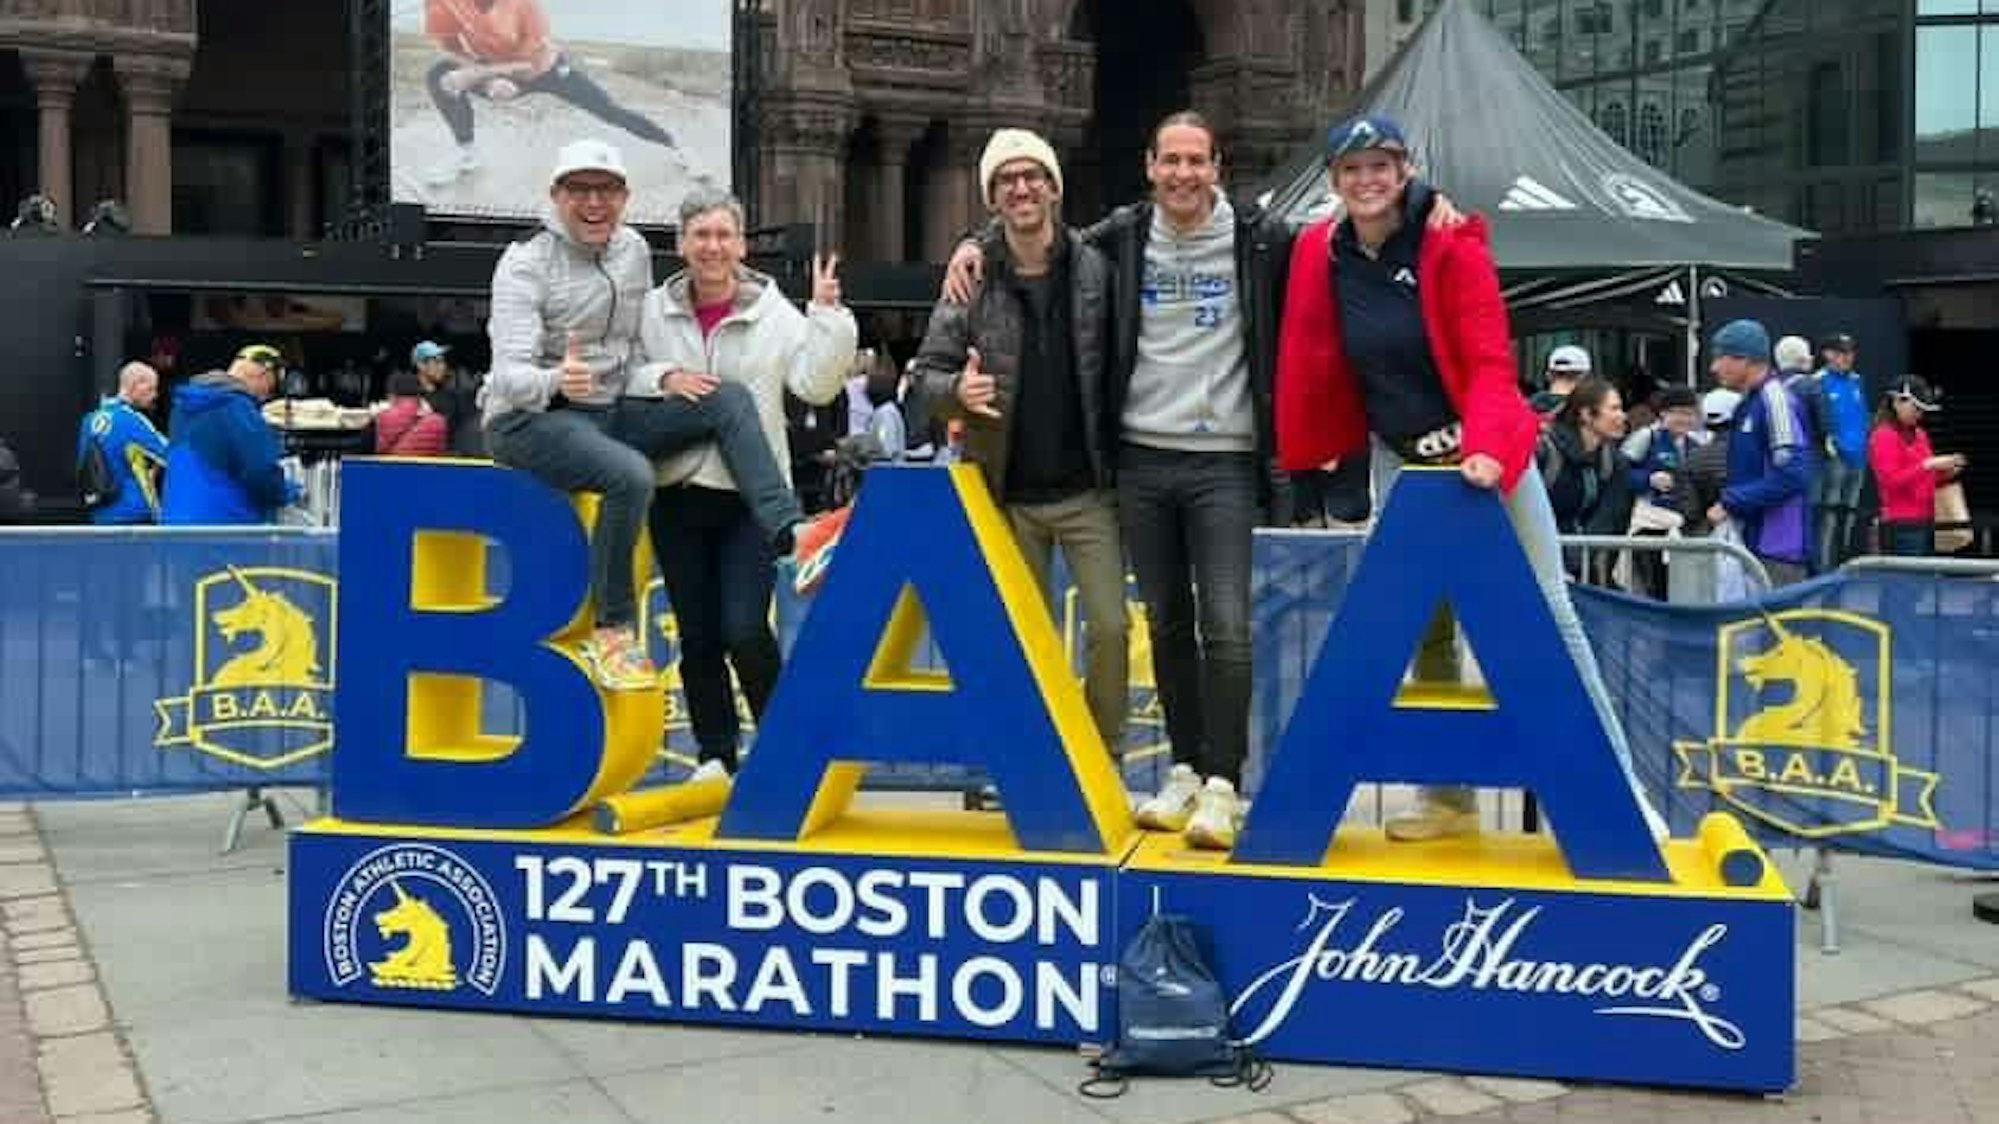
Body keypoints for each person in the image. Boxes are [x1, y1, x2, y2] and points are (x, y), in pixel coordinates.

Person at [941, 110, 1464, 849]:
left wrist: (1425, 198)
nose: (1183, 174)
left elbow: (1358, 209)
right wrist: (975, 242)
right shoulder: (1120, 239)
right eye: (1170, 161)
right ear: (1149, 168)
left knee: (1226, 624)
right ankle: (1182, 770)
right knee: (1167, 624)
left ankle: (1224, 783)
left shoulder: (1262, 239)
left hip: (1223, 456)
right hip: (1140, 458)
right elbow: (1038, 235)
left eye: (1197, 160)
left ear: (1218, 167)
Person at [1274, 113, 1665, 845]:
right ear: (1333, 180)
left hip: (1487, 453)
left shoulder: (1449, 241)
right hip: (1402, 459)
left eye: (1379, 167)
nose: (1366, 181)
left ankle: (1623, 796)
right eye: (1351, 169)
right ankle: (1446, 800)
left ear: (1404, 171)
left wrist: (1484, 449)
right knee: (1421, 630)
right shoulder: (1320, 251)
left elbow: (1488, 361)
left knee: (1550, 616)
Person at [482, 139, 834, 690]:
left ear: (625, 199)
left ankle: (790, 532)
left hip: (609, 411)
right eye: (579, 190)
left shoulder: (632, 252)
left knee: (728, 397)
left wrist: (662, 376)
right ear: (556, 196)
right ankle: (613, 629)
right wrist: (557, 379)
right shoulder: (525, 264)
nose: (593, 202)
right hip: (531, 418)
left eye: (606, 191)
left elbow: (637, 357)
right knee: (630, 476)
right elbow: (507, 376)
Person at [911, 127, 1129, 762]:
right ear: (993, 196)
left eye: (1033, 175)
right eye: (1008, 179)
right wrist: (958, 389)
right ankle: (1022, 763)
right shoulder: (971, 279)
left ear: (1055, 189)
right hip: (1005, 495)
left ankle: (1100, 756)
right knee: (1014, 643)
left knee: (1112, 630)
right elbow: (923, 378)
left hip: (1086, 489)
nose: (1022, 187)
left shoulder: (1097, 267)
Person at [632, 189, 855, 775]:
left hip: (748, 503)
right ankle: (715, 753)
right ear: (682, 244)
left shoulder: (774, 314)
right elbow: (621, 371)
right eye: (700, 235)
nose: (712, 247)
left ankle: (785, 752)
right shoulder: (651, 310)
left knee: (745, 630)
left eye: (723, 235)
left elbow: (815, 386)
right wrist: (663, 376)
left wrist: (828, 319)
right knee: (698, 637)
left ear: (741, 243)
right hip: (676, 493)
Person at [420, 0, 689, 188]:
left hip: (545, 69)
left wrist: (480, 76)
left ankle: (676, 147)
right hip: (494, 68)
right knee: (438, 74)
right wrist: (486, 77)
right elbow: (449, 45)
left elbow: (529, 65)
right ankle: (467, 153)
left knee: (609, 110)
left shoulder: (523, 4)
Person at [1706, 319, 1817, 586]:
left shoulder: (1775, 401)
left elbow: (1794, 475)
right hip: (1755, 545)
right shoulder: (1753, 402)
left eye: (1720, 357)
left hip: (1776, 551)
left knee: (1771, 627)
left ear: (1744, 360)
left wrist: (1731, 501)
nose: (1713, 367)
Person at [160, 344, 300, 525]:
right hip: (225, 529)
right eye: (271, 389)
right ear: (263, 374)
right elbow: (260, 472)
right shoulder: (238, 407)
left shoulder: (182, 407)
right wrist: (287, 491)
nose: (266, 397)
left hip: (175, 524)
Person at [1536, 376, 1633, 584]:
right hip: (1535, 561)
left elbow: (1609, 523)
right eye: (1614, 409)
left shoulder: (1615, 462)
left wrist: (1582, 570)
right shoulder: (1541, 451)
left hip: (1578, 571)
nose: (1622, 416)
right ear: (1587, 414)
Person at [1867, 375, 1965, 557]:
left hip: (1927, 520)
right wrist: (1928, 464)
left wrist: (1946, 472)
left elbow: (1924, 478)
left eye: (1922, 410)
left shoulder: (1920, 434)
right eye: (1916, 408)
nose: (1920, 414)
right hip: (1901, 525)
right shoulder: (1883, 436)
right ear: (1897, 402)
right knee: (1908, 582)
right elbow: (1890, 481)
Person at [77, 361, 169, 525]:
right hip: (133, 514)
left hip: (99, 515)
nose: (155, 395)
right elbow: (171, 455)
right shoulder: (131, 420)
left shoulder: (89, 420)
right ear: (136, 385)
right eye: (151, 389)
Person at [1811, 332, 1871, 571]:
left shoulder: (1857, 381)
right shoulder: (1818, 381)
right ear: (1828, 354)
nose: (1848, 357)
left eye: (1850, 352)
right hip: (1834, 459)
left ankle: (1842, 565)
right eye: (1842, 352)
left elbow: (1861, 415)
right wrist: (1832, 446)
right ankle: (1823, 569)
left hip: (1858, 458)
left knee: (1850, 516)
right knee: (1829, 518)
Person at [411, 340, 486, 456]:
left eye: (443, 361)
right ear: (421, 365)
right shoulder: (410, 400)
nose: (443, 366)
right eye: (437, 361)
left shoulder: (452, 397)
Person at [374, 370, 450, 457]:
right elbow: (440, 454)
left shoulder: (382, 417)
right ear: (419, 393)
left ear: (392, 395)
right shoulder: (439, 421)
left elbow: (378, 452)